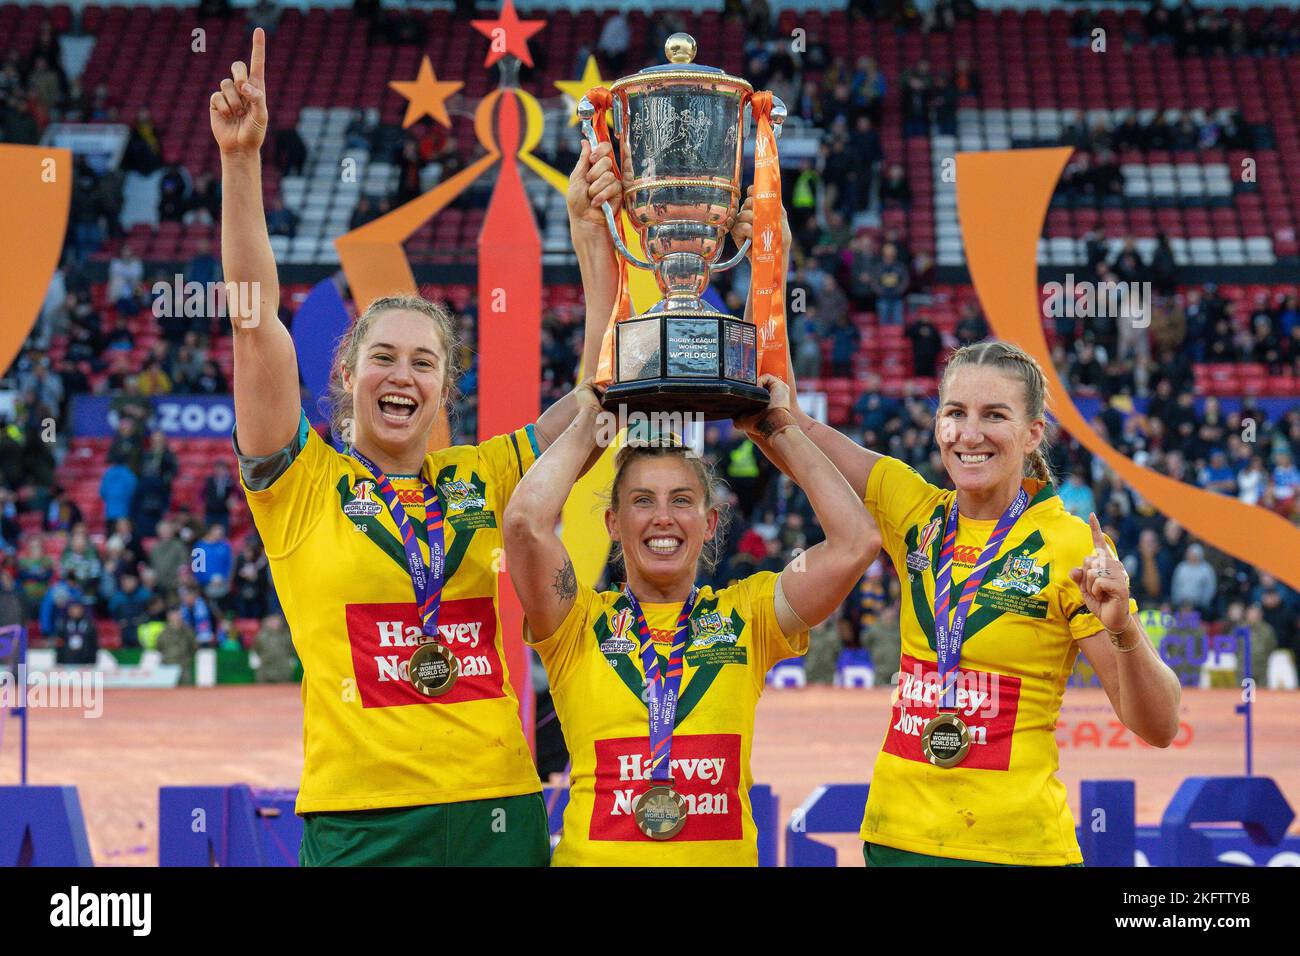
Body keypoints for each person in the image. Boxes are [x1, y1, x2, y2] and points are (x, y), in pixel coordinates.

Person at [209, 29, 620, 866]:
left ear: (444, 389)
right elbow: (255, 327)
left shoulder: (483, 475)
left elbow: (598, 399)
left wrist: (589, 234)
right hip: (362, 821)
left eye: (424, 362)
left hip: (495, 809)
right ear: (347, 375)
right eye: (383, 358)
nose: (402, 376)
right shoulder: (297, 485)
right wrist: (242, 163)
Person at [746, 338, 1182, 866]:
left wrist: (1125, 631)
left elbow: (1158, 727)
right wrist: (772, 265)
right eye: (955, 413)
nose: (970, 434)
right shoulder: (914, 509)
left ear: (1032, 434)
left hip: (1017, 849)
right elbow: (791, 424)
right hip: (897, 842)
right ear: (937, 425)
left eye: (994, 415)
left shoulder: (1070, 545)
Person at [503, 379, 879, 865]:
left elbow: (856, 541)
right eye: (642, 501)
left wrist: (776, 428)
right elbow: (523, 524)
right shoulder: (576, 622)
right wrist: (598, 423)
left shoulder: (748, 614)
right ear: (613, 524)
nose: (663, 517)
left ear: (709, 523)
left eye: (681, 500)